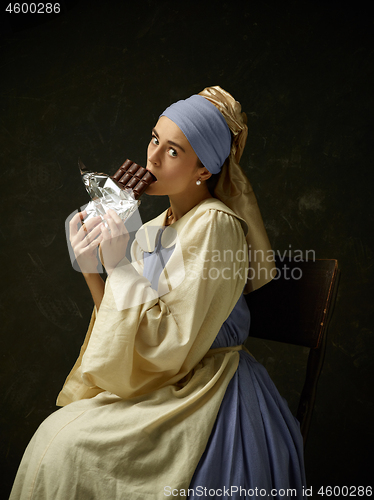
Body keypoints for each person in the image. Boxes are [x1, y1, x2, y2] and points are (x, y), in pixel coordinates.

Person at [9, 86, 306, 499]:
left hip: (206, 388)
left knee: (66, 448)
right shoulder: (153, 228)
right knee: (54, 436)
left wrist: (117, 264)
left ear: (204, 169)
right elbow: (126, 329)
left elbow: (171, 344)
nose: (151, 157)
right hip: (164, 381)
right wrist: (93, 270)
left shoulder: (216, 225)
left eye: (172, 151)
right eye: (154, 139)